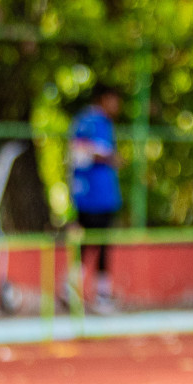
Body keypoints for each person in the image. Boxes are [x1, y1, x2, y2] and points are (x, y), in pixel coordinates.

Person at [68, 86, 123, 314]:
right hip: (91, 196)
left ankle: (78, 289)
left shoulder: (105, 123)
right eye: (113, 100)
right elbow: (78, 153)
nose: (116, 106)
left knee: (99, 244)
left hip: (105, 195)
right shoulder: (88, 121)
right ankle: (91, 293)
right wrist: (107, 157)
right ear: (103, 98)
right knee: (94, 243)